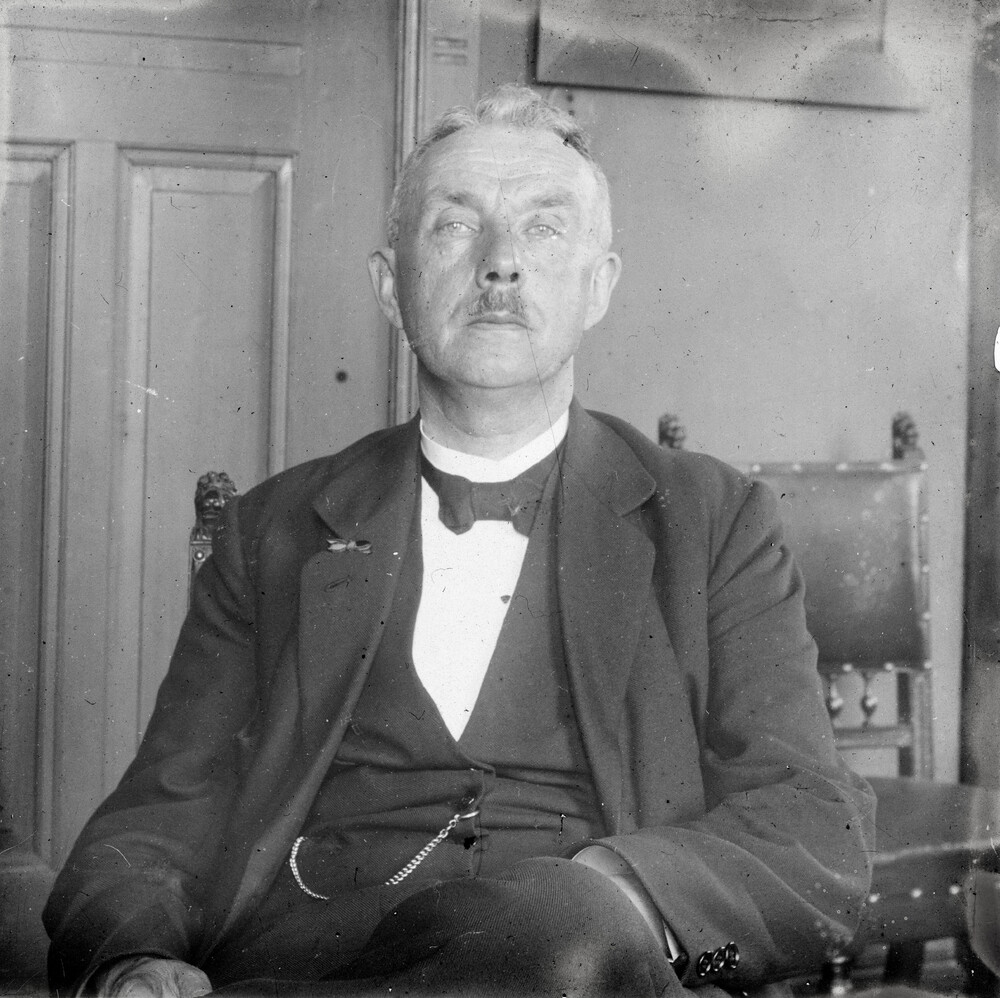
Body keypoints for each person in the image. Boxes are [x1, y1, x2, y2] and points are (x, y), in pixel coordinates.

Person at [44, 85, 874, 998]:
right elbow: (160, 815)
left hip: (605, 968)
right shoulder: (273, 532)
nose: (501, 263)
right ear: (390, 287)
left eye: (543, 229)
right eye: (454, 226)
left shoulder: (714, 522)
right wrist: (130, 960)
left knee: (568, 937)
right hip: (304, 968)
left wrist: (613, 900)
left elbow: (814, 826)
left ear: (600, 285)